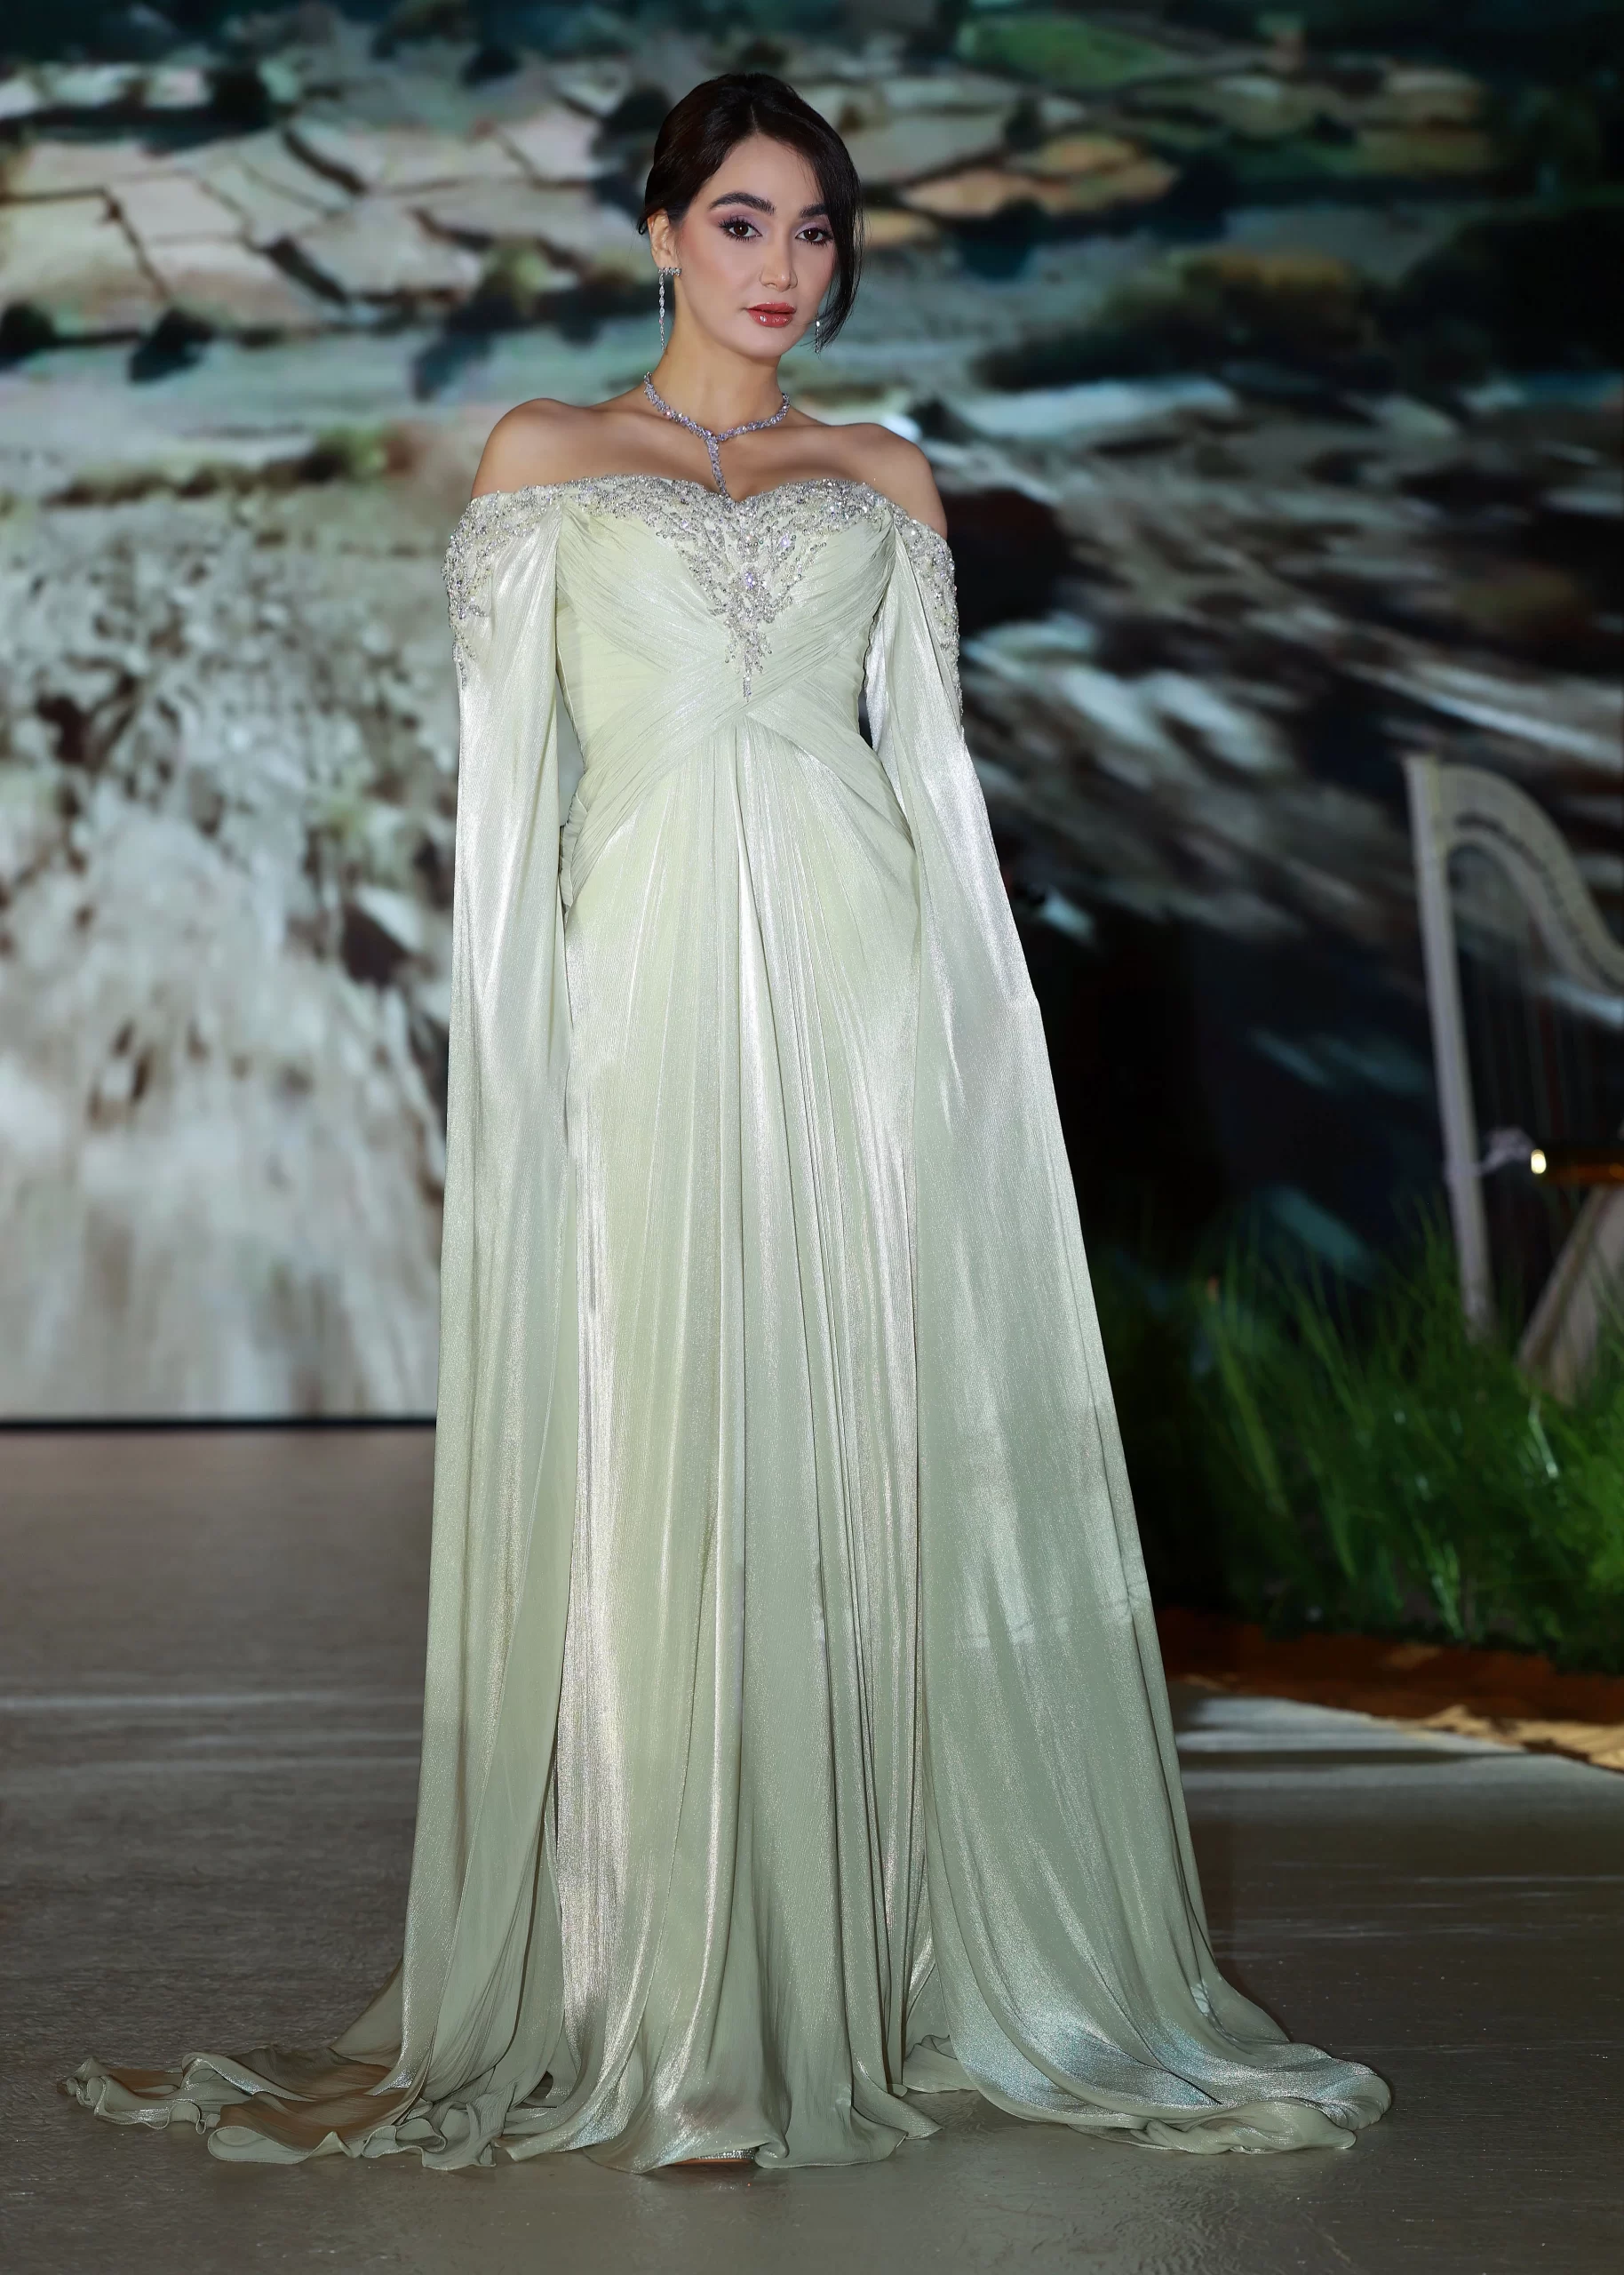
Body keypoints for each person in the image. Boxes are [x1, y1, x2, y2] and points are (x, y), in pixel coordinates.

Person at [66, 72, 1389, 2173]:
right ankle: (668, 1989)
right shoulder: (543, 462)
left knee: (868, 1449)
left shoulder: (884, 476)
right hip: (640, 1003)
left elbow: (938, 808)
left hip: (866, 1002)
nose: (790, 270)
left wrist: (972, 1062)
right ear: (658, 231)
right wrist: (510, 1075)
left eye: (820, 233)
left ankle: (892, 1957)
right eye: (749, 223)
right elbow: (506, 815)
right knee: (665, 1455)